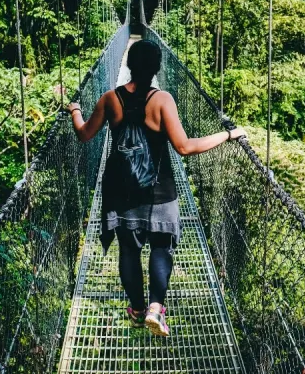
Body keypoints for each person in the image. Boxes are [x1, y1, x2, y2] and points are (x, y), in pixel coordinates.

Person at [66, 39, 245, 337]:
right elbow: (185, 147)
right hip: (159, 190)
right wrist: (228, 135)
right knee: (161, 246)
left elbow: (84, 134)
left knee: (128, 250)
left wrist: (75, 110)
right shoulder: (163, 100)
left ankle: (136, 309)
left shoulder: (111, 98)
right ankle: (155, 309)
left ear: (127, 65)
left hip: (121, 189)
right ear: (157, 68)